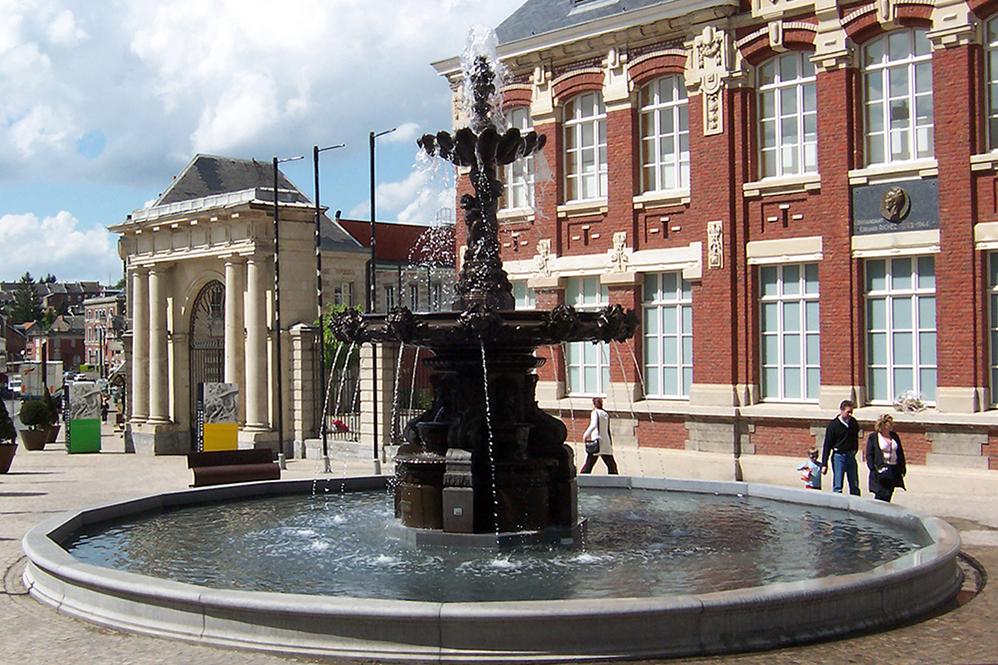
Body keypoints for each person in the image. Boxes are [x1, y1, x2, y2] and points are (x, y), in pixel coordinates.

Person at [821, 399, 860, 495]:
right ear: (841, 410)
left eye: (852, 412)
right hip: (839, 456)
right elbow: (827, 444)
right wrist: (824, 464)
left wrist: (855, 450)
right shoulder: (833, 426)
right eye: (848, 412)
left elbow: (855, 437)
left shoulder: (853, 422)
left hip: (851, 456)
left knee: (854, 484)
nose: (850, 415)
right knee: (838, 484)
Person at [866, 413, 906, 502]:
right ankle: (878, 512)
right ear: (884, 425)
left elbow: (900, 452)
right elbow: (870, 454)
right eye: (890, 424)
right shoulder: (874, 437)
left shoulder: (894, 436)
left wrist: (902, 468)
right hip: (881, 469)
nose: (892, 426)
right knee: (880, 494)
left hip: (893, 469)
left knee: (889, 493)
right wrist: (873, 468)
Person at [580, 397, 618, 474]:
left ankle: (583, 477)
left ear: (594, 404)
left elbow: (593, 425)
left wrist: (585, 435)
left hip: (597, 440)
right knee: (610, 463)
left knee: (590, 462)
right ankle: (614, 477)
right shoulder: (605, 413)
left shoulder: (595, 413)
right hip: (605, 440)